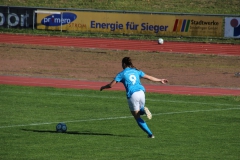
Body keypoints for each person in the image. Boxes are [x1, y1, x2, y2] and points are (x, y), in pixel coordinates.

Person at [100, 57, 168, 138]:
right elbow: (149, 77)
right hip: (142, 92)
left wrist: (103, 87)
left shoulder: (121, 74)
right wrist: (160, 80)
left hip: (133, 95)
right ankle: (143, 110)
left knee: (137, 116)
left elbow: (111, 85)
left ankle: (150, 134)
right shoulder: (136, 71)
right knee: (140, 110)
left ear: (124, 64)